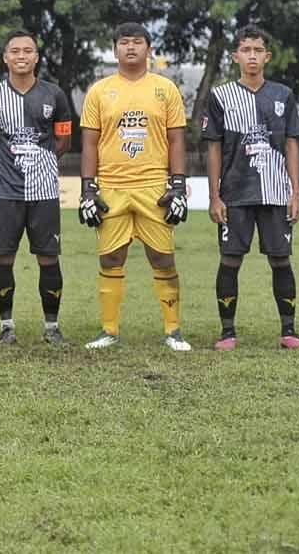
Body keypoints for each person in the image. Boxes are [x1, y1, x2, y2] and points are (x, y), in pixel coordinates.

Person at [79, 22, 191, 351]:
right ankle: (109, 330)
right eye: (124, 42)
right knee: (111, 258)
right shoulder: (99, 91)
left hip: (154, 186)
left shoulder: (165, 89)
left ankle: (173, 331)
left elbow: (176, 140)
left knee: (163, 257)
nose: (131, 47)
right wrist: (88, 189)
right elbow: (89, 143)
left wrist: (179, 186)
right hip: (112, 187)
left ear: (149, 49)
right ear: (114, 49)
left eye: (137, 42)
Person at [201, 25, 299, 350]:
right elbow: (214, 147)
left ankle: (288, 331)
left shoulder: (282, 95)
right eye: (246, 50)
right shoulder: (220, 96)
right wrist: (215, 195)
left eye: (257, 50)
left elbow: (291, 143)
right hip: (235, 193)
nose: (252, 56)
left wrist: (296, 190)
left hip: (275, 193)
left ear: (267, 56)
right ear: (236, 56)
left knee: (281, 260)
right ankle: (228, 332)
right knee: (230, 260)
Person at [0, 30, 72, 346]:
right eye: (14, 51)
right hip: (4, 192)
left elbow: (63, 140)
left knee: (48, 258)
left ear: (36, 57)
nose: (21, 56)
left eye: (27, 51)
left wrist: (40, 159)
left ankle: (51, 327)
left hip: (43, 191)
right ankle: (7, 325)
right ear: (5, 57)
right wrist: (8, 164)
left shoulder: (54, 95)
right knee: (3, 258)